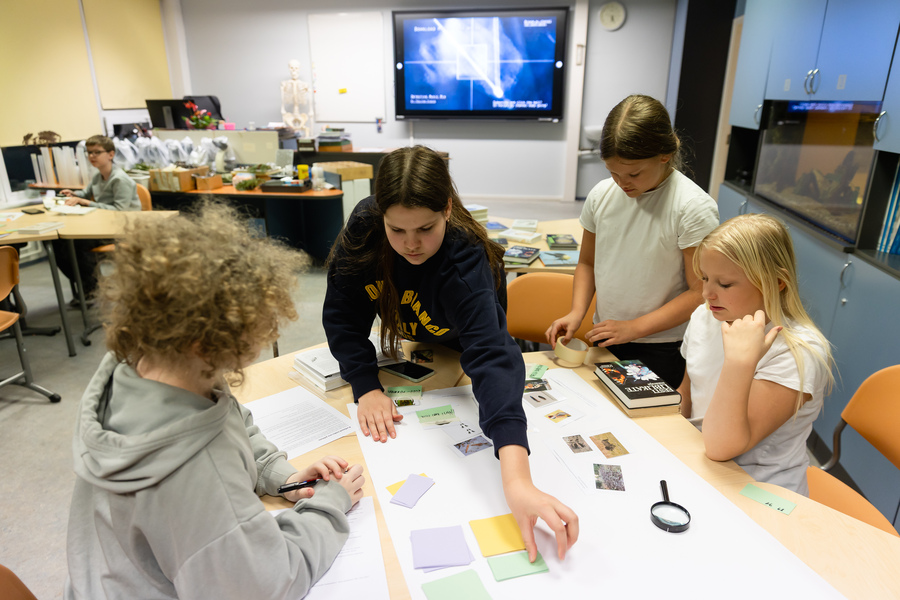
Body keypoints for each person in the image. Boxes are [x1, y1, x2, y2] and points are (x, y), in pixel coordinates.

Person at [65, 202, 365, 599]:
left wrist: (283, 477)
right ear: (209, 340)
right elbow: (268, 584)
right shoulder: (199, 472)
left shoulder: (142, 367)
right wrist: (328, 504)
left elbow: (228, 418)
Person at [323, 145, 578, 562]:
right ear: (380, 215)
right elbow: (342, 314)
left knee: (479, 371)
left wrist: (517, 480)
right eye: (397, 230)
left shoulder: (465, 258)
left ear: (446, 208)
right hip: (414, 343)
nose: (411, 244)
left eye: (425, 228)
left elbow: (492, 356)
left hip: (459, 346)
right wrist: (365, 385)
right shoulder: (365, 228)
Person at [546, 94, 719, 388]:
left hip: (662, 345)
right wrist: (577, 312)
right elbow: (587, 263)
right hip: (608, 335)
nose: (622, 182)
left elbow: (699, 291)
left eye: (634, 173)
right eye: (612, 172)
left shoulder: (692, 207)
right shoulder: (601, 195)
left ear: (665, 154)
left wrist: (634, 328)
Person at [678, 213, 833, 496]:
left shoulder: (798, 352)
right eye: (705, 278)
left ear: (776, 282)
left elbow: (722, 446)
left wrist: (739, 362)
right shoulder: (706, 316)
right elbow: (687, 392)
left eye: (725, 284)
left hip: (759, 488)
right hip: (702, 466)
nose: (707, 294)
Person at [54, 134, 141, 301]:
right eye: (89, 152)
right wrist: (74, 194)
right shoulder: (98, 175)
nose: (92, 156)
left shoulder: (119, 179)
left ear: (111, 154)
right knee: (58, 243)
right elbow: (86, 193)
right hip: (103, 225)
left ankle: (90, 288)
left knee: (77, 243)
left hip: (121, 228)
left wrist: (85, 202)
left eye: (97, 152)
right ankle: (87, 283)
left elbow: (120, 210)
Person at [281, 58, 313, 138]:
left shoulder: (304, 84)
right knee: (285, 118)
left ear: (299, 69)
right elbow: (283, 96)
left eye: (296, 68)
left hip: (301, 115)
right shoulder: (285, 84)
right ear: (289, 69)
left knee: (307, 120)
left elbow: (309, 94)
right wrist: (282, 108)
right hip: (290, 116)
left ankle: (309, 139)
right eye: (292, 68)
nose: (294, 71)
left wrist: (311, 110)